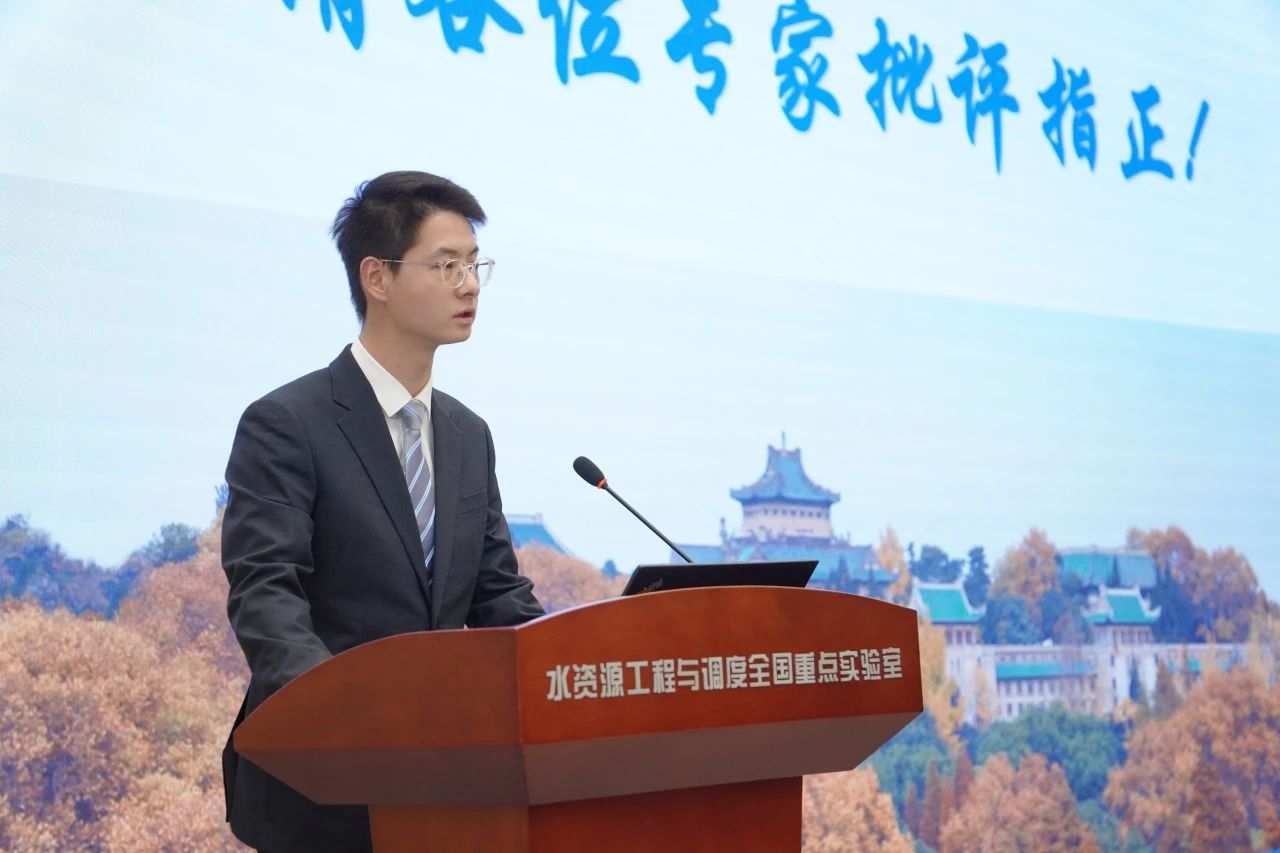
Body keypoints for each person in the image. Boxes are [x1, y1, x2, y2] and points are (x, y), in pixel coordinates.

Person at [220, 171, 544, 853]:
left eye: (475, 264)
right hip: (321, 781)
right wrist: (347, 720)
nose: (470, 285)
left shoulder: (467, 434)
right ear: (377, 277)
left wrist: (571, 668)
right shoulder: (288, 423)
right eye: (446, 265)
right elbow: (267, 593)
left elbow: (497, 596)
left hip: (448, 782)